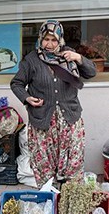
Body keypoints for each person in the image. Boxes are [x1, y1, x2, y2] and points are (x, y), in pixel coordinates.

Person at [10, 20, 97, 186]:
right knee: (45, 167)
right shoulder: (31, 60)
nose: (49, 44)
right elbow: (17, 83)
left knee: (72, 166)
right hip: (43, 122)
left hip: (69, 120)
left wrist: (78, 58)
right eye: (46, 39)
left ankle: (69, 202)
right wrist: (27, 98)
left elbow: (91, 71)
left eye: (54, 40)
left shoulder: (69, 54)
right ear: (40, 39)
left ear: (60, 40)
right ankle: (49, 201)